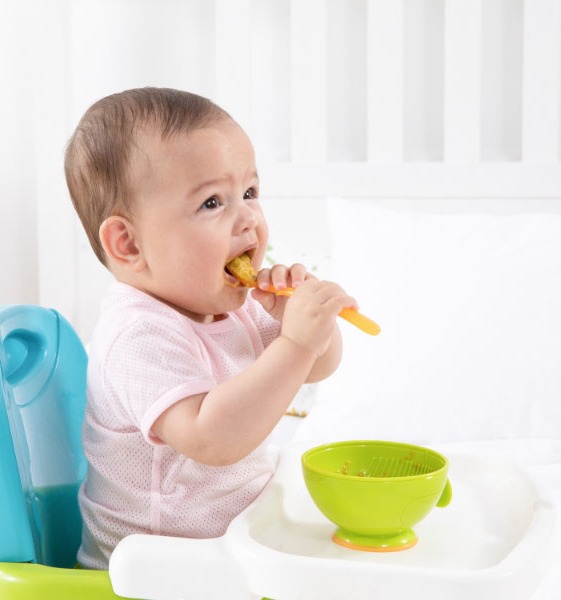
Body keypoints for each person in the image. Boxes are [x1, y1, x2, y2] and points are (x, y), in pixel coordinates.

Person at [63, 87, 357, 569]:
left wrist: (303, 326)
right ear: (129, 244)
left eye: (250, 193)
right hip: (155, 571)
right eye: (212, 202)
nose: (248, 220)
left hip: (229, 549)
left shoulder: (228, 304)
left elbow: (317, 368)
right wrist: (296, 343)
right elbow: (212, 439)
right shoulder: (136, 335)